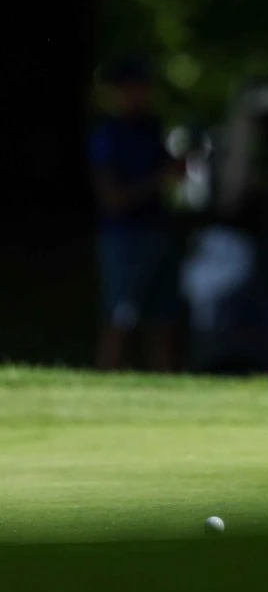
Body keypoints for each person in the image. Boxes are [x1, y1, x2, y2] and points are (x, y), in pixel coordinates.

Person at [89, 55, 182, 371]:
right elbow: (112, 199)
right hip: (123, 238)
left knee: (164, 321)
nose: (140, 94)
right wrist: (159, 179)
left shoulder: (151, 129)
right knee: (119, 317)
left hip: (157, 233)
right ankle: (104, 384)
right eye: (132, 88)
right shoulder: (108, 136)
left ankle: (165, 392)